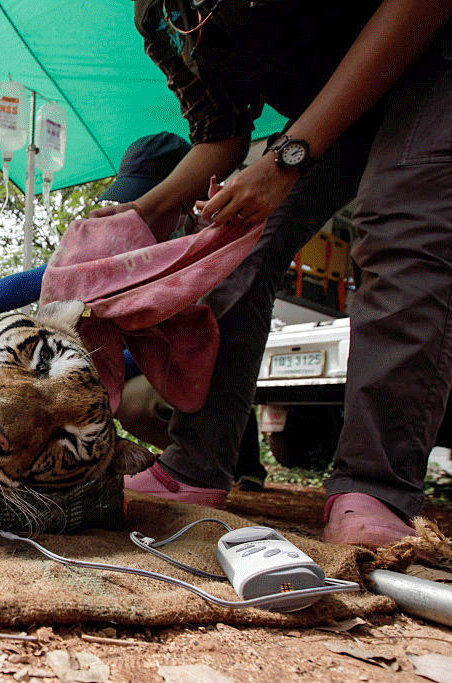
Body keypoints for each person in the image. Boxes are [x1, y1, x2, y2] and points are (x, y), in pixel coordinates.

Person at [106, 0, 452, 548]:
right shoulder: (161, 18)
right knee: (236, 243)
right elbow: (222, 136)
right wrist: (143, 211)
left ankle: (373, 484)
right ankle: (195, 466)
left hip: (428, 48)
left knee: (399, 223)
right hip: (330, 105)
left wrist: (291, 156)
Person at [0, 131, 269, 490]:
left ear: (181, 201)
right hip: (149, 373)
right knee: (117, 401)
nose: (128, 215)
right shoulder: (122, 250)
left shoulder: (200, 255)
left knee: (143, 402)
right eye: (128, 202)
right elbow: (37, 281)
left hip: (203, 387)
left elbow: (190, 352)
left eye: (145, 202)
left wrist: (76, 375)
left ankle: (232, 463)